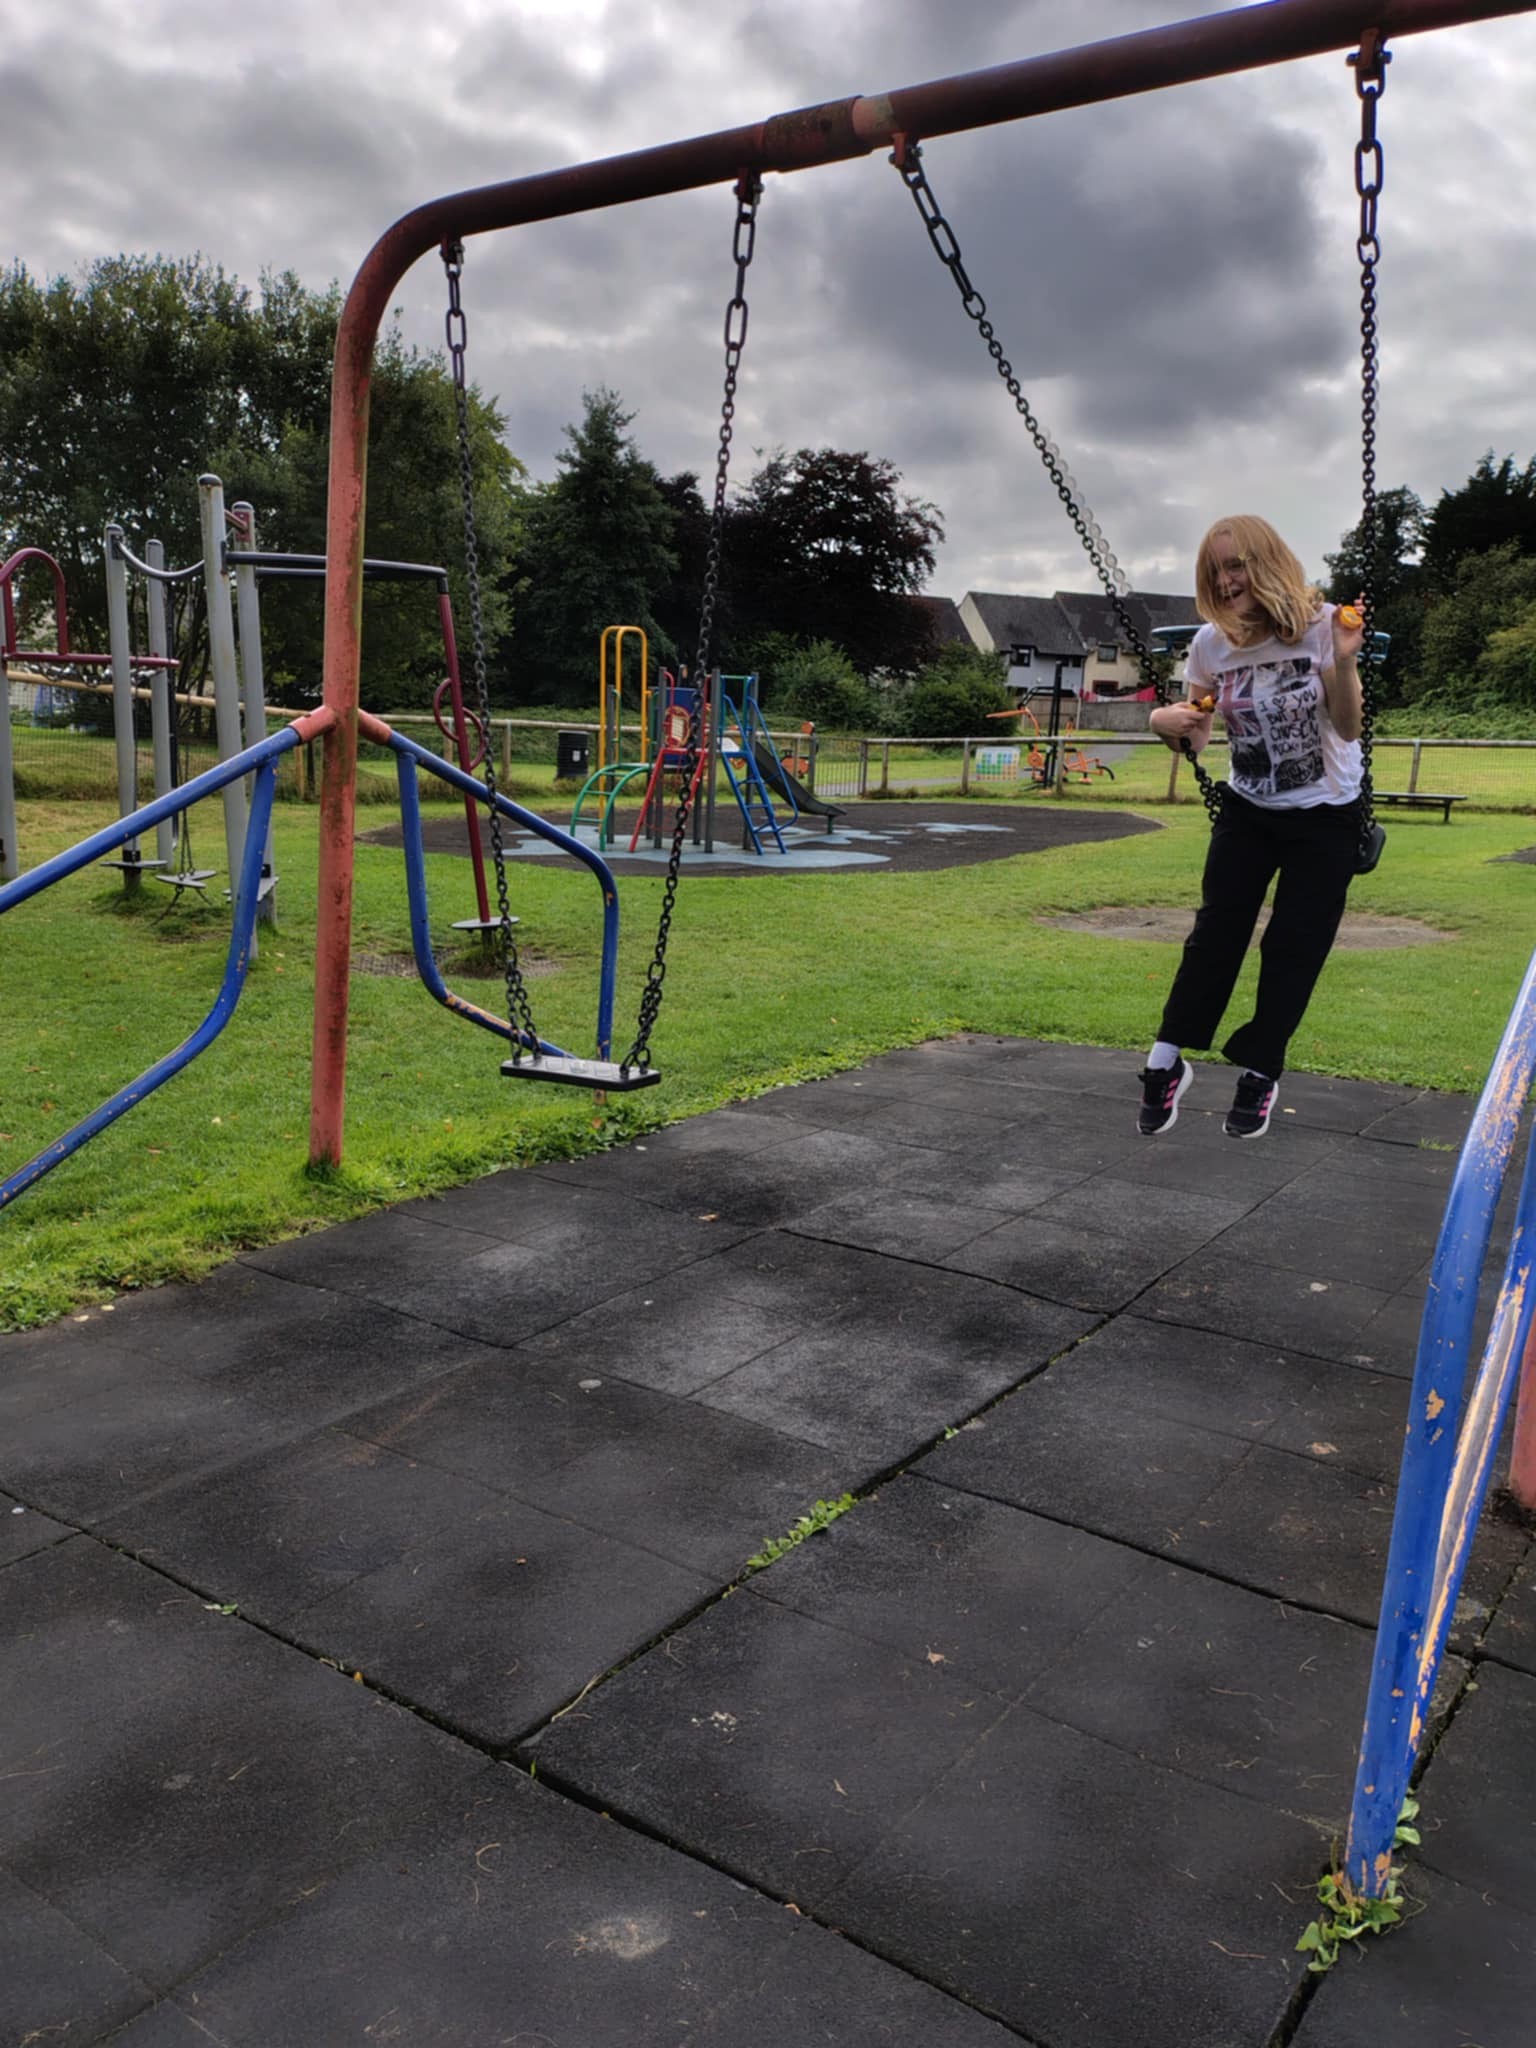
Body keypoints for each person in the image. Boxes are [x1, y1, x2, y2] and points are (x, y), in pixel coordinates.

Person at [1136, 514, 1366, 1140]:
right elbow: (1196, 736)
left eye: (1236, 565)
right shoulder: (1211, 644)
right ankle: (1166, 1060)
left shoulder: (1323, 627)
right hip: (1248, 808)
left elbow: (1349, 728)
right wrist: (1163, 723)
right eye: (1215, 570)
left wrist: (1345, 663)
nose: (1226, 580)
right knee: (1215, 933)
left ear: (1266, 561)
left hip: (1327, 813)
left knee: (1294, 944)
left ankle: (1261, 1071)